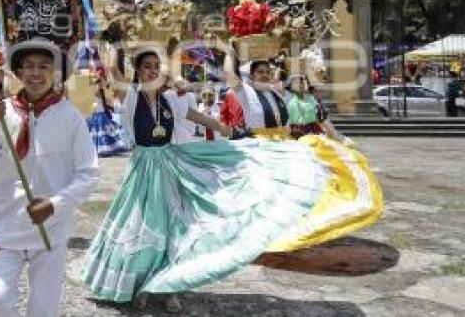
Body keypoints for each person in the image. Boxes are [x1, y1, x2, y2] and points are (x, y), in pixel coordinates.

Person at [83, 48, 324, 312]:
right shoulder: (130, 98)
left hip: (170, 166)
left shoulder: (170, 101)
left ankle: (167, 286)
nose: (152, 71)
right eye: (147, 66)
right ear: (138, 71)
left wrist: (223, 128)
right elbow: (115, 73)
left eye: (156, 66)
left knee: (173, 228)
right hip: (143, 171)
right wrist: (106, 44)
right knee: (142, 226)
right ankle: (140, 284)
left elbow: (193, 115)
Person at [0, 40, 98, 317]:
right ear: (19, 73)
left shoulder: (70, 117)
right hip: (4, 226)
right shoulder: (1, 112)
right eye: (29, 67)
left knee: (43, 310)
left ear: (55, 73)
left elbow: (88, 174)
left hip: (51, 228)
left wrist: (55, 204)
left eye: (44, 67)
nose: (36, 73)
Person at [224, 55, 383, 252]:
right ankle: (259, 235)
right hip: (260, 149)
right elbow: (229, 75)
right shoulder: (246, 93)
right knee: (266, 194)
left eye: (267, 72)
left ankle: (294, 228)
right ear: (251, 75)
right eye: (260, 72)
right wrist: (229, 52)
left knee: (305, 184)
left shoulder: (276, 93)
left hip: (283, 146)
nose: (265, 75)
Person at [84, 75, 128, 156]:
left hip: (100, 115)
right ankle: (99, 148)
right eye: (96, 83)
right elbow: (98, 90)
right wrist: (99, 82)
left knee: (104, 132)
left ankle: (106, 147)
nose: (96, 85)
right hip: (97, 114)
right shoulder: (98, 91)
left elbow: (100, 91)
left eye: (97, 83)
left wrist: (100, 82)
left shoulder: (100, 92)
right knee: (99, 132)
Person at [168, 77, 199, 143]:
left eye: (182, 84)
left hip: (186, 128)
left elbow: (194, 113)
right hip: (171, 128)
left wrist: (190, 129)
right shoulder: (168, 94)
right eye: (177, 84)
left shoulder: (190, 96)